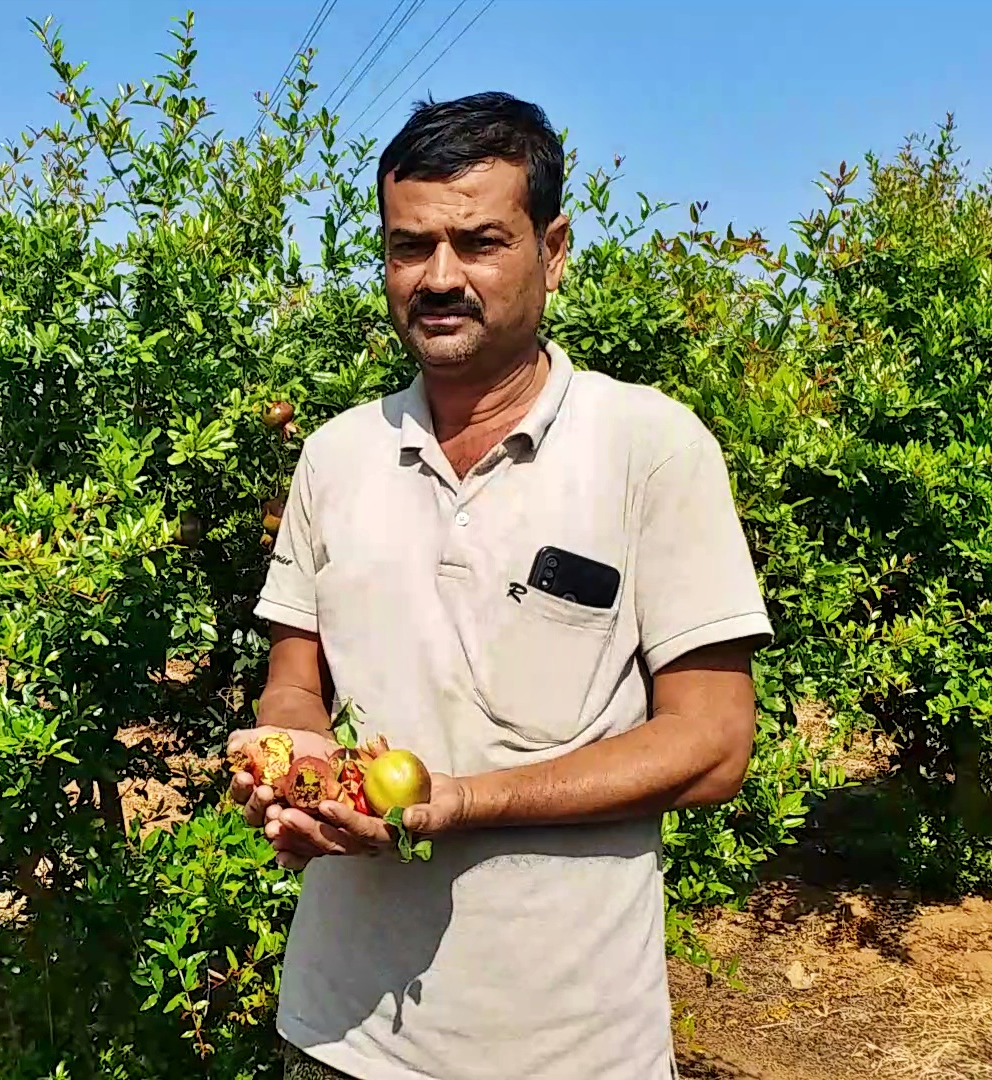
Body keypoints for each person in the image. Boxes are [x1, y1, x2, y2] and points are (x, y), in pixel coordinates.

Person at [227, 91, 771, 1080]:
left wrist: (459, 803)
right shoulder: (336, 456)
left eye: (478, 242)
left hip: (566, 1046)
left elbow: (714, 745)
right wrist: (291, 763)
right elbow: (295, 679)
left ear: (551, 250)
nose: (438, 277)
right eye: (408, 247)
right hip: (337, 1030)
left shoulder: (649, 448)